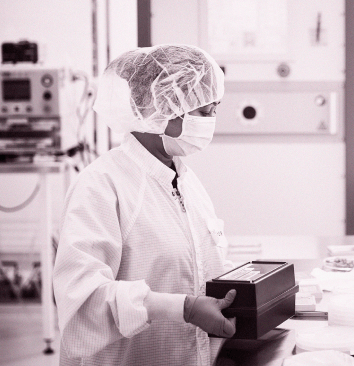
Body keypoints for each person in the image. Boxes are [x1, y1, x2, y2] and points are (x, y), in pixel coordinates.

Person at [52, 44, 236, 366]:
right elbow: (81, 302)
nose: (212, 121)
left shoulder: (185, 178)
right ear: (166, 110)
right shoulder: (101, 185)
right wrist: (184, 308)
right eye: (205, 111)